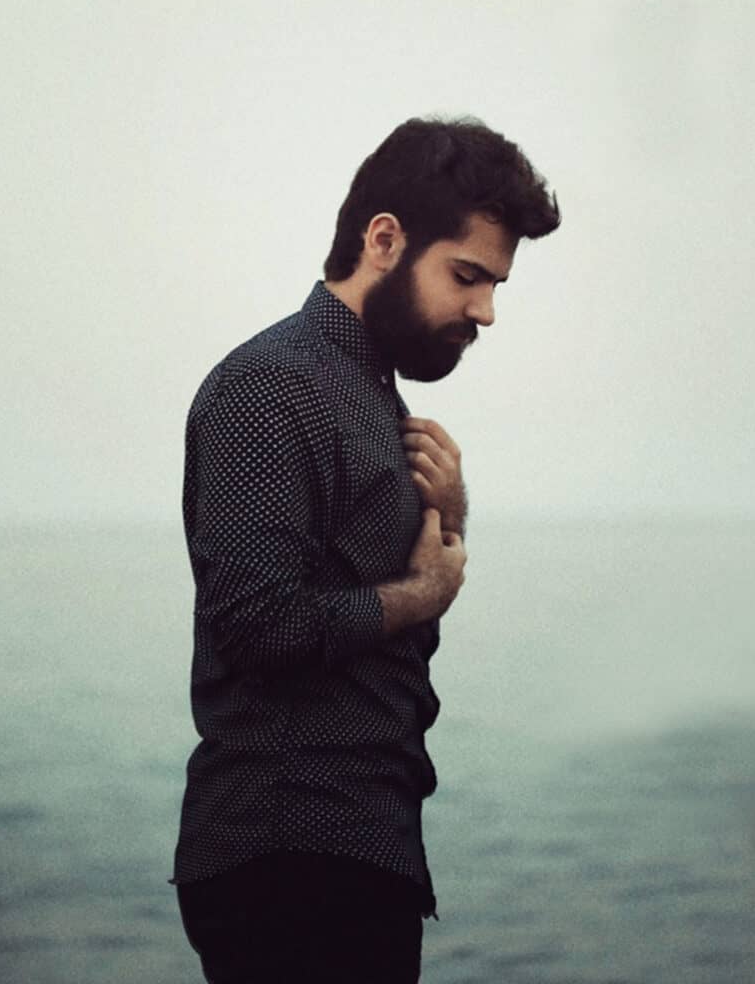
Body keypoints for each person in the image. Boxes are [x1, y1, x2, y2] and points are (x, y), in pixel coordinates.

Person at [172, 116, 560, 983]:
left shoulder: (371, 396)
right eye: (467, 276)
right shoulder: (271, 388)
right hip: (286, 861)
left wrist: (450, 514)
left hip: (363, 851)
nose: (486, 311)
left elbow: (401, 601)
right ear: (384, 239)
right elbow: (256, 628)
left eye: (496, 285)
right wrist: (423, 592)